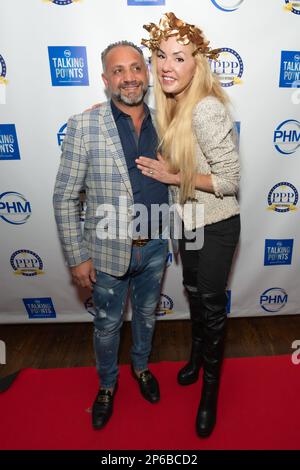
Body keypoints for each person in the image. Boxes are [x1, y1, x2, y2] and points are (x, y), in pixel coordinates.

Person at [53, 41, 169, 430]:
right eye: (118, 71)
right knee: (106, 326)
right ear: (106, 80)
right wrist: (77, 256)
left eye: (135, 68)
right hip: (105, 251)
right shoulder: (84, 124)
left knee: (148, 316)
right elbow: (66, 196)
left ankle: (140, 368)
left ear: (147, 73)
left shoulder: (165, 123)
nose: (129, 77)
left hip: (155, 246)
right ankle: (106, 386)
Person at [136, 12, 240, 438]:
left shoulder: (207, 109)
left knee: (212, 309)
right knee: (194, 294)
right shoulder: (172, 104)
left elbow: (230, 180)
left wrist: (174, 177)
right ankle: (197, 359)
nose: (167, 66)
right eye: (161, 56)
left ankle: (210, 392)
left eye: (179, 58)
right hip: (189, 222)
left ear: (197, 64)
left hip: (215, 226)